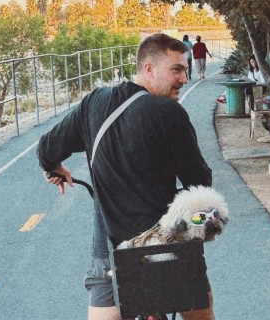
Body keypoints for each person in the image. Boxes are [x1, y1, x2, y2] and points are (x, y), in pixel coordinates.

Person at [36, 33, 214, 320]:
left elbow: (47, 149)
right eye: (177, 70)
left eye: (186, 69)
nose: (184, 78)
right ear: (148, 69)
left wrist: (56, 168)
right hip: (167, 247)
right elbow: (200, 183)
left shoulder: (94, 103)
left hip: (111, 253)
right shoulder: (169, 112)